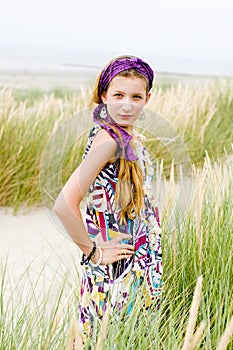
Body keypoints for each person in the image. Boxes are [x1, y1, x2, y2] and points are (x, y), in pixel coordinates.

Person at [53, 55, 162, 341]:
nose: (127, 104)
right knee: (107, 337)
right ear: (104, 96)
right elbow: (64, 205)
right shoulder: (109, 141)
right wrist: (93, 252)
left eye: (136, 96)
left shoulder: (123, 135)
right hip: (118, 265)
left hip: (135, 260)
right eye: (118, 95)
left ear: (147, 98)